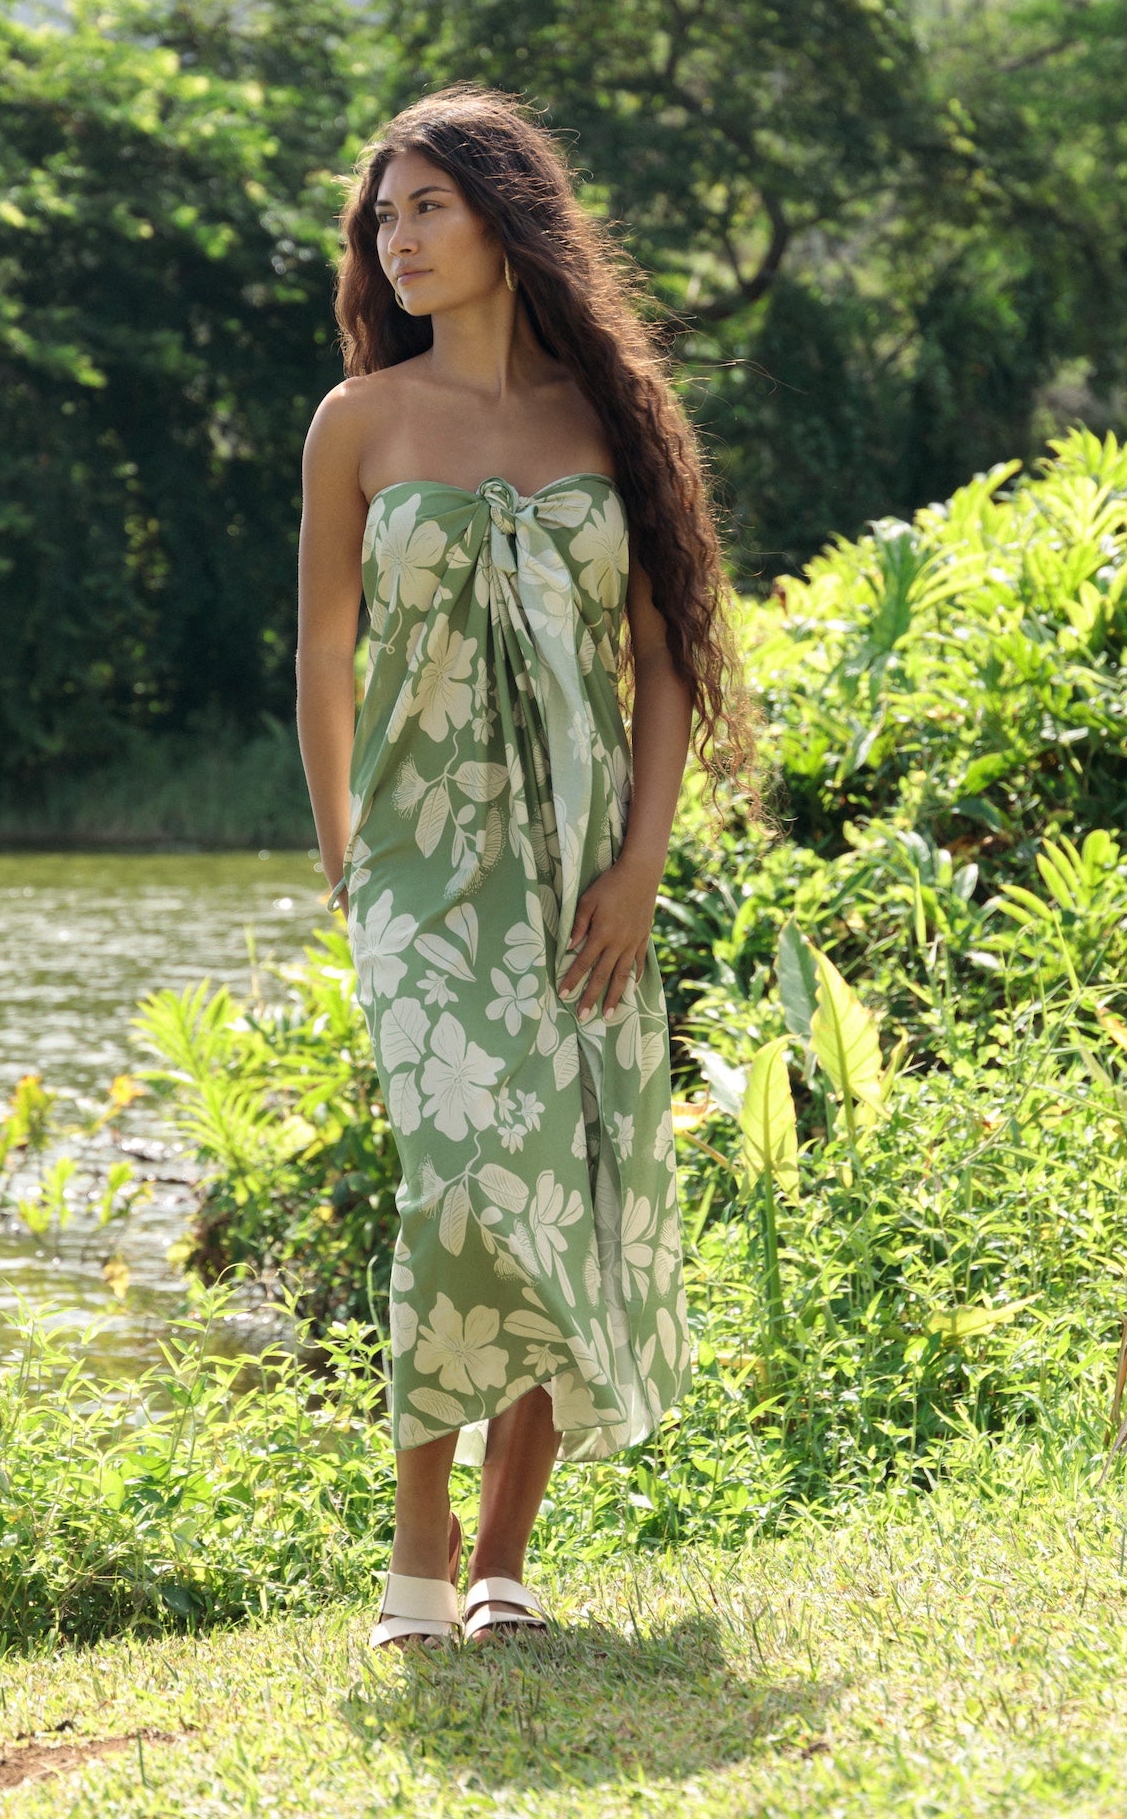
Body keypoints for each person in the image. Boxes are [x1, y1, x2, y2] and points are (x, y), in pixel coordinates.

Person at [296, 86, 750, 1649]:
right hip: (421, 868)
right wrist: (344, 856)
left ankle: (502, 1563)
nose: (396, 238)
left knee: (567, 1179)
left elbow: (667, 662)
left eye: (425, 206)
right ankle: (414, 1551)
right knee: (455, 1176)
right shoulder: (359, 420)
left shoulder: (605, 411)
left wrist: (639, 870)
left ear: (503, 218)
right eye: (383, 216)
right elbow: (324, 646)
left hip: (580, 866)